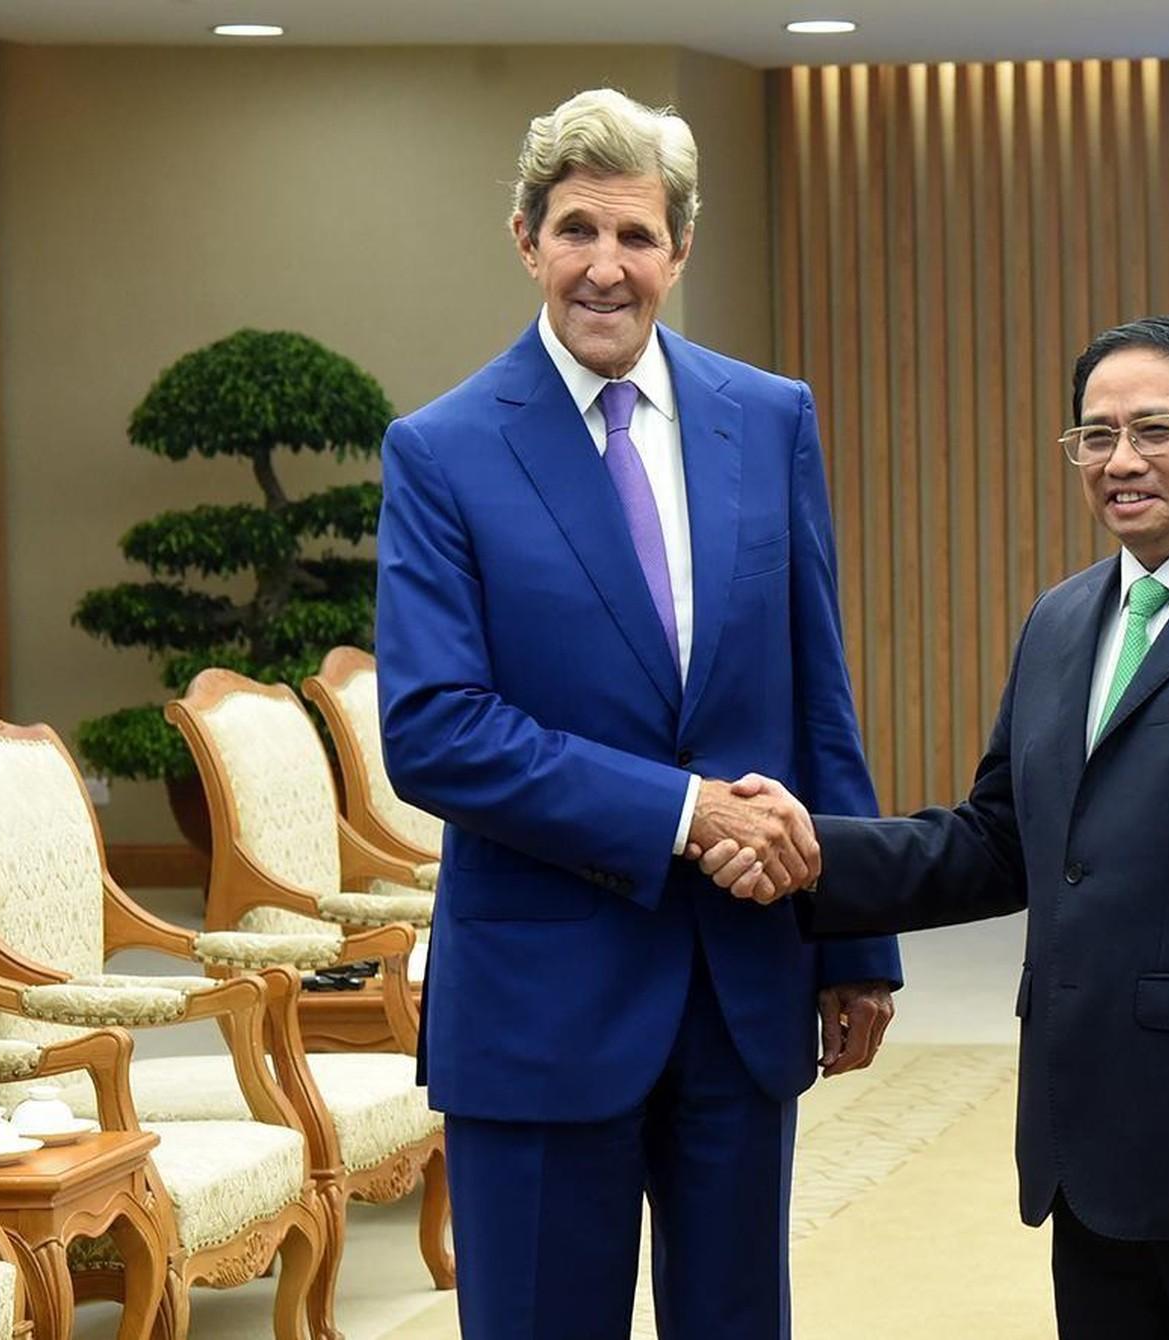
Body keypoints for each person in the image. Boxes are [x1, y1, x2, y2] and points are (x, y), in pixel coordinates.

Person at [700, 315, 1169, 1339]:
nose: (1118, 460)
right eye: (1093, 436)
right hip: (1088, 1150)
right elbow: (999, 841)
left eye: (1153, 428)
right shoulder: (1060, 621)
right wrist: (813, 848)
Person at [374, 87, 902, 1340]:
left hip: (742, 980)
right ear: (523, 239)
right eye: (574, 232)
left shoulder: (768, 419)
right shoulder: (441, 450)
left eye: (635, 236)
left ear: (679, 250)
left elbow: (813, 688)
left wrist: (857, 937)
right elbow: (436, 726)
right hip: (540, 998)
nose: (604, 268)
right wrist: (681, 811)